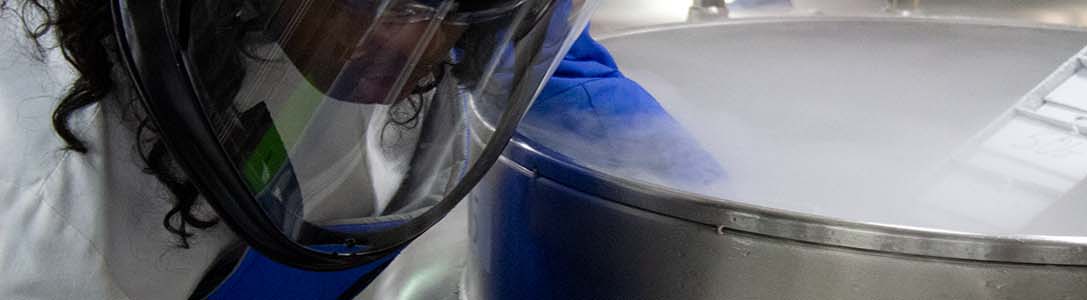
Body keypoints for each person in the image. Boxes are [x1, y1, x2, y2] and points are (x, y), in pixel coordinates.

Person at [0, 0, 719, 298]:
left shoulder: (483, 33)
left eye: (456, 16)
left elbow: (561, 72)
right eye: (391, 7)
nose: (424, 44)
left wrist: (714, 217)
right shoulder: (51, 208)